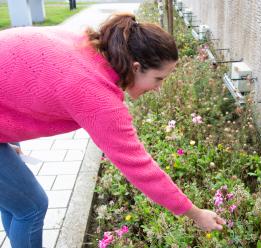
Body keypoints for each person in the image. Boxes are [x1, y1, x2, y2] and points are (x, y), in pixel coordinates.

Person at [0, 12, 226, 248]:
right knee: (32, 207)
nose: (159, 88)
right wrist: (196, 213)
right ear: (136, 67)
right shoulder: (97, 97)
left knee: (18, 204)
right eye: (159, 79)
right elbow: (140, 168)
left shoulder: (88, 48)